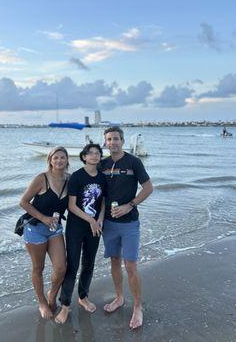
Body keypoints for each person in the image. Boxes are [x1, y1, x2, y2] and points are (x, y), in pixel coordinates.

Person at [99, 126, 153, 330]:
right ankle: (119, 297)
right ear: (105, 142)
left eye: (116, 139)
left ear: (122, 141)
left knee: (130, 266)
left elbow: (148, 188)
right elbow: (99, 193)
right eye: (109, 139)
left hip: (129, 222)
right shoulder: (102, 164)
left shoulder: (133, 162)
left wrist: (129, 205)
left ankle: (138, 306)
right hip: (109, 224)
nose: (112, 142)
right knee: (114, 261)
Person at [55, 143, 106, 324]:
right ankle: (65, 305)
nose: (94, 156)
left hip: (95, 228)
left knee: (89, 264)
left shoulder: (102, 177)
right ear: (84, 157)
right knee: (73, 266)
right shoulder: (77, 177)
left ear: (100, 157)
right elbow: (71, 206)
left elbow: (102, 202)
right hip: (76, 228)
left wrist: (99, 219)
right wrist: (91, 220)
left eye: (97, 153)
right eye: (90, 153)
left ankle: (83, 297)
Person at [20, 147, 69, 319]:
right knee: (38, 268)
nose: (59, 161)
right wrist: (43, 218)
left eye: (63, 157)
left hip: (55, 229)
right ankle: (42, 303)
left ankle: (52, 295)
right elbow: (24, 202)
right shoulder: (41, 179)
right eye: (56, 158)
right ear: (50, 160)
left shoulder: (69, 180)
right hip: (35, 229)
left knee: (61, 268)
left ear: (67, 160)